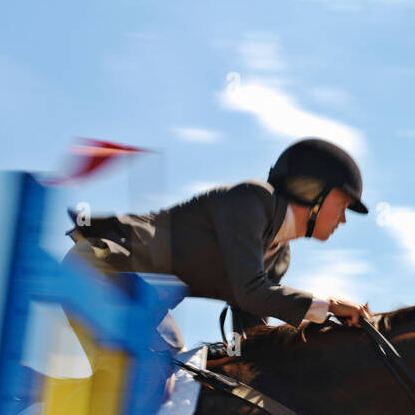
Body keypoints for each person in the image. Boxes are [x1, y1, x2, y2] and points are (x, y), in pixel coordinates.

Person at [63, 137, 373, 375]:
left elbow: (251, 336)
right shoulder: (253, 199)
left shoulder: (279, 257)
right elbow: (251, 292)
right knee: (148, 372)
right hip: (99, 269)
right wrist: (328, 305)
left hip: (140, 294)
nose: (343, 220)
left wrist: (325, 335)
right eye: (342, 205)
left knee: (175, 364)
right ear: (313, 191)